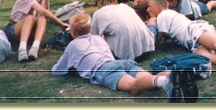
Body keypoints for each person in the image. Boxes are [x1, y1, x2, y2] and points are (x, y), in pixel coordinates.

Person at [52, 13, 197, 103]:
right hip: (122, 62)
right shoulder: (98, 38)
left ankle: (166, 81)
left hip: (103, 69)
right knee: (148, 79)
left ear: (72, 31)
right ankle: (176, 76)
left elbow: (58, 70)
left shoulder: (73, 46)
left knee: (135, 86)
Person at [5, 0, 69, 62]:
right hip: (14, 29)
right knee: (30, 17)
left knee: (42, 18)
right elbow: (42, 11)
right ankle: (22, 49)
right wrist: (60, 23)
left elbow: (45, 14)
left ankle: (35, 48)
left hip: (29, 30)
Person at [91, 0, 155, 61]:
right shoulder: (126, 7)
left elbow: (93, 39)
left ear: (101, 1)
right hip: (146, 52)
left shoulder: (98, 13)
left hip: (124, 57)